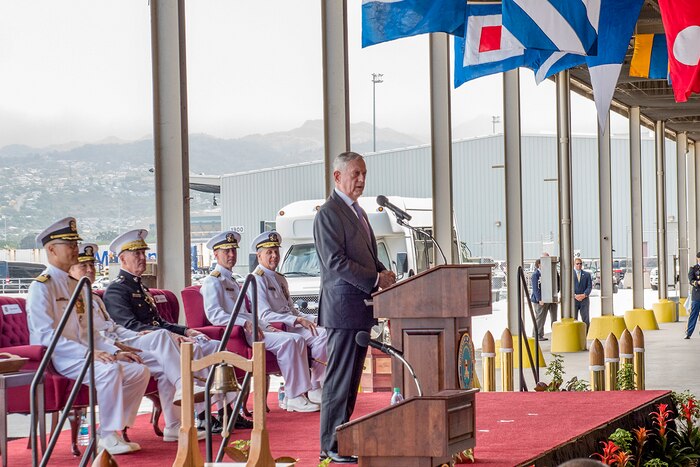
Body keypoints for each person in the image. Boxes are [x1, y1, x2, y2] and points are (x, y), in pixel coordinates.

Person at [102, 229, 249, 432]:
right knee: (172, 341)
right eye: (136, 254)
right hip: (136, 342)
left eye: (143, 253)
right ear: (122, 259)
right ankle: (198, 406)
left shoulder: (140, 288)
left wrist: (186, 331)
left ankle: (222, 410)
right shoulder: (116, 289)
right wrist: (171, 335)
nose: (142, 258)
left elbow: (159, 321)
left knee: (207, 345)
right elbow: (129, 325)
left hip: (157, 341)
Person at [27, 218, 149, 455]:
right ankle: (106, 436)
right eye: (69, 245)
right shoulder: (41, 286)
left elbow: (89, 331)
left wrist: (115, 351)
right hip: (60, 357)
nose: (75, 249)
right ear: (51, 249)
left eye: (75, 244)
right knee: (110, 371)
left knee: (138, 370)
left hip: (86, 352)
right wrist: (90, 353)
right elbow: (45, 335)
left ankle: (111, 429)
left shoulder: (77, 285)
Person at [70, 242, 206, 442]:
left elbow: (115, 327)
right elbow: (84, 334)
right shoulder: (74, 297)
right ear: (71, 269)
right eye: (84, 266)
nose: (90, 270)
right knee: (161, 337)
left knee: (164, 366)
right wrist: (121, 344)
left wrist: (132, 337)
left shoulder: (93, 297)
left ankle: (175, 425)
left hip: (120, 341)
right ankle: (183, 386)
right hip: (102, 349)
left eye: (92, 265)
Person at [314, 151, 396, 464]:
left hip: (359, 308)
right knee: (339, 379)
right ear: (337, 177)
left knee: (350, 381)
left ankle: (342, 440)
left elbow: (364, 256)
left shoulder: (357, 212)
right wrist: (374, 277)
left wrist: (383, 272)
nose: (361, 180)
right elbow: (335, 263)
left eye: (363, 174)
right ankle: (330, 445)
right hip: (343, 310)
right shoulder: (329, 213)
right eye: (355, 174)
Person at [200, 230, 319, 413]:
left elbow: (250, 314)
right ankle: (294, 395)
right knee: (290, 341)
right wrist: (243, 324)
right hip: (239, 334)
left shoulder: (231, 280)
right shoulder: (213, 281)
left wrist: (266, 326)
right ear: (216, 254)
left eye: (233, 250)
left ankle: (295, 395)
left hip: (255, 329)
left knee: (296, 339)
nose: (231, 255)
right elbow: (215, 315)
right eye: (226, 251)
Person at [250, 230, 327, 404]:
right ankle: (305, 390)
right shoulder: (256, 279)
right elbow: (264, 314)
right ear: (259, 255)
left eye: (276, 251)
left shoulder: (279, 278)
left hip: (291, 323)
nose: (274, 256)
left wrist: (313, 318)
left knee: (324, 332)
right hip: (278, 327)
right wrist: (296, 320)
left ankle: (317, 385)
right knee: (315, 336)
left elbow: (292, 309)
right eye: (269, 252)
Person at [530, 259, 548, 340]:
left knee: (542, 317)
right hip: (538, 300)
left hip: (544, 298)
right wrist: (539, 299)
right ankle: (536, 334)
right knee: (539, 317)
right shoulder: (535, 275)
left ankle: (540, 334)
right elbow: (535, 288)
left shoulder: (544, 274)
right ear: (539, 265)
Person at [573, 258, 592, 330]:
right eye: (577, 264)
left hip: (584, 300)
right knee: (574, 318)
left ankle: (586, 333)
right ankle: (575, 333)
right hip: (574, 299)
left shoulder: (587, 275)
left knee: (585, 318)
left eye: (580, 263)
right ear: (574, 264)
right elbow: (567, 287)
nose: (579, 265)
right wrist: (575, 295)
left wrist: (584, 295)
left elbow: (589, 286)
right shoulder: (570, 275)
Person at [685, 252, 700, 339]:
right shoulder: (693, 268)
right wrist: (697, 282)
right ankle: (689, 333)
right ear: (697, 258)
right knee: (694, 315)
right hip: (697, 295)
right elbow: (691, 280)